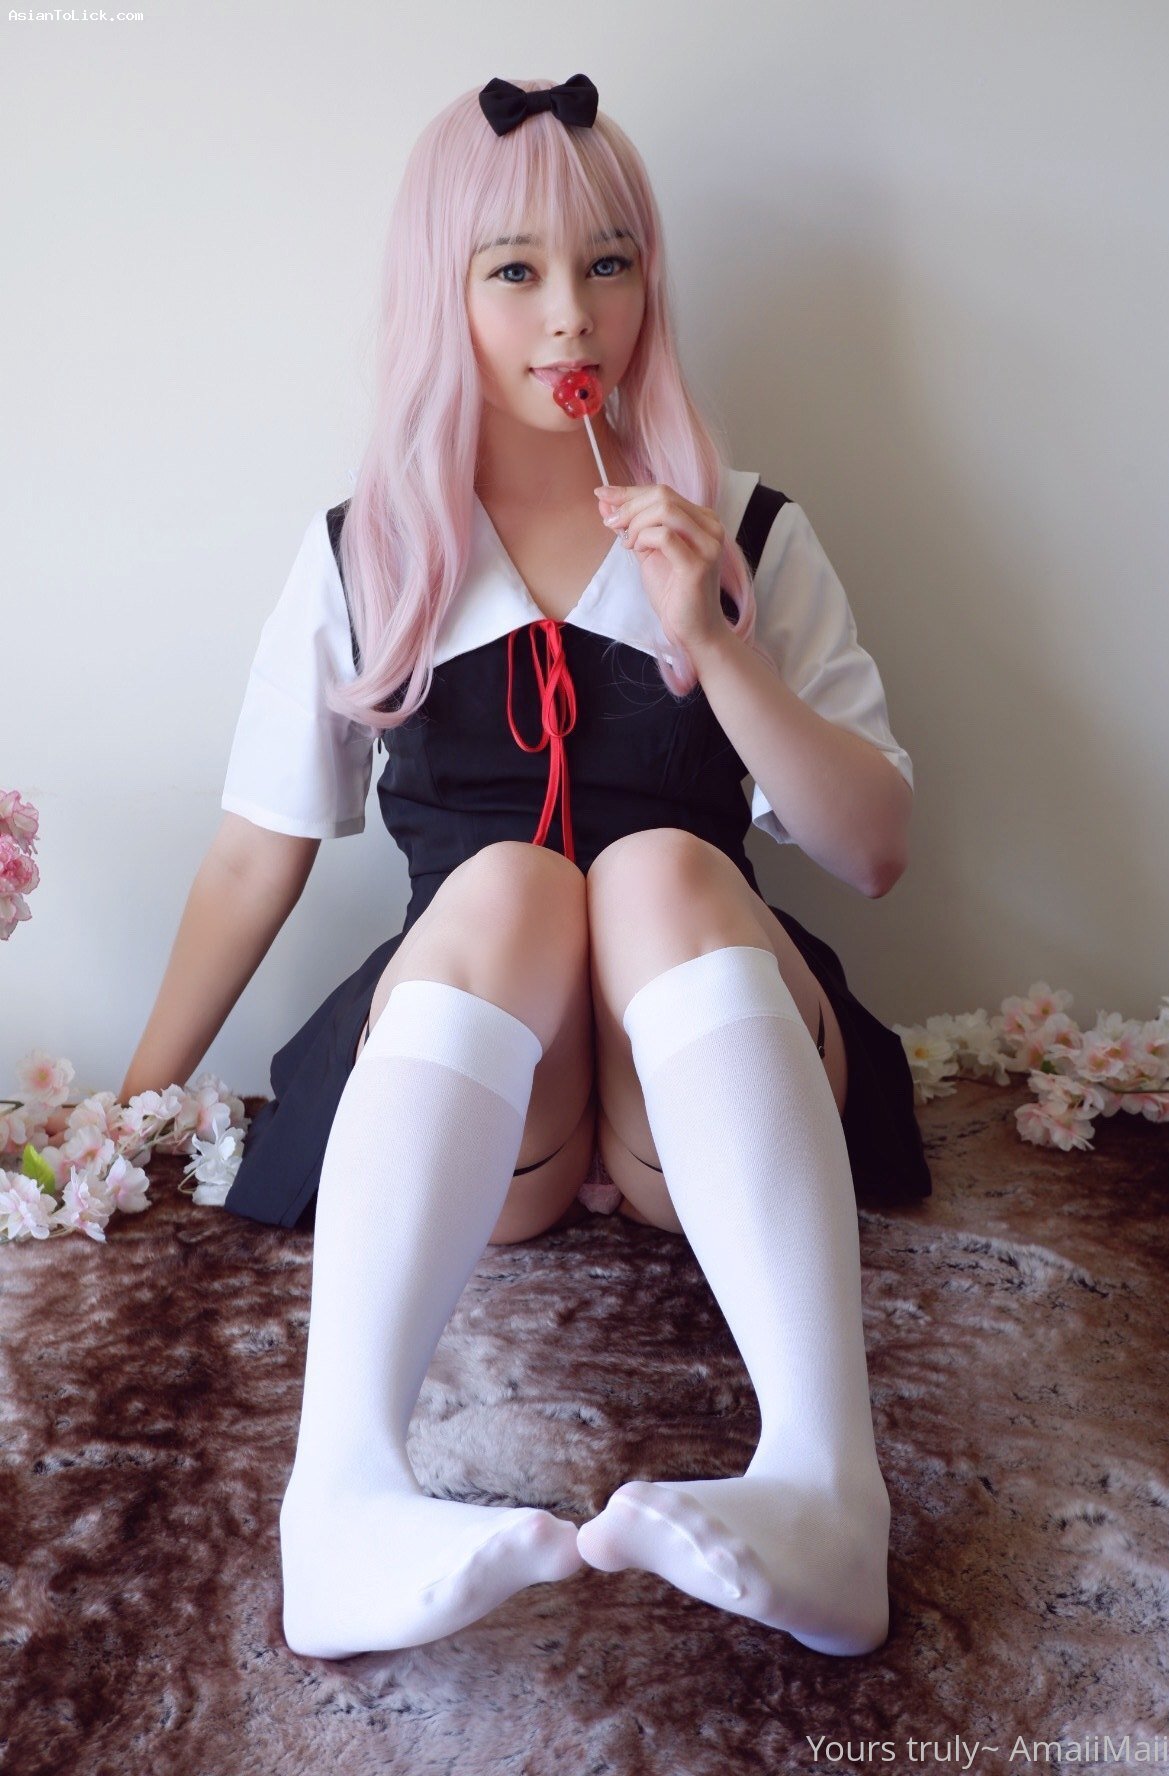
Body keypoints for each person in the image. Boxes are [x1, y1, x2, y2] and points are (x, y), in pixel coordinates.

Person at [126, 74, 932, 1663]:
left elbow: (876, 850)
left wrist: (717, 644)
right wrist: (134, 1108)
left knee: (654, 871)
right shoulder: (366, 551)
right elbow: (249, 858)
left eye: (609, 264)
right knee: (512, 886)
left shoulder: (748, 529)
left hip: (694, 1101)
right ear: (444, 294)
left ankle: (829, 1491)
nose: (574, 316)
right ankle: (341, 1504)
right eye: (516, 271)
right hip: (499, 1104)